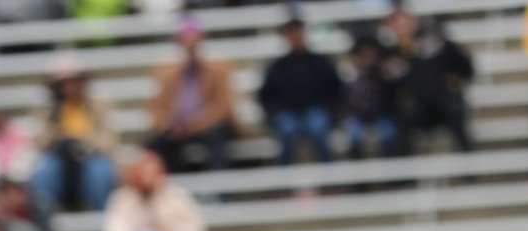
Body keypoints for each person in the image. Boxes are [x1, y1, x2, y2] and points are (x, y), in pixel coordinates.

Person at [148, 14, 242, 175]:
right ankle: (172, 190)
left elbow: (223, 107)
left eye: (193, 43)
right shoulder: (168, 74)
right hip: (180, 129)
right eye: (186, 43)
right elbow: (157, 109)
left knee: (216, 137)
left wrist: (195, 125)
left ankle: (220, 192)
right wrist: (169, 125)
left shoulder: (218, 70)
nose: (190, 48)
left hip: (208, 128)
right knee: (157, 143)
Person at [385, 8, 476, 154]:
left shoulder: (437, 43)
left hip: (444, 103)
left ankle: (470, 171)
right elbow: (390, 87)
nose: (404, 28)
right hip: (418, 109)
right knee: (399, 123)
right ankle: (404, 175)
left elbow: (463, 66)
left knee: (455, 112)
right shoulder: (390, 55)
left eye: (406, 23)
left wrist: (456, 82)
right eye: (398, 25)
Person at [31, 60, 118, 213]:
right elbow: (39, 142)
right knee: (44, 173)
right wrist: (58, 137)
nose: (71, 87)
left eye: (74, 81)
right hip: (59, 157)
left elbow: (108, 138)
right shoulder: (48, 108)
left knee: (99, 173)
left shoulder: (98, 103)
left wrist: (83, 145)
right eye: (65, 83)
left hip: (91, 156)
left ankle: (101, 221)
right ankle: (47, 219)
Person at [261, 17, 342, 167]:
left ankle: (332, 178)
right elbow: (266, 95)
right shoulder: (278, 66)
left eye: (298, 33)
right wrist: (274, 113)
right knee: (286, 131)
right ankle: (284, 183)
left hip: (317, 110)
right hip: (287, 112)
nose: (295, 38)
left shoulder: (321, 62)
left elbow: (336, 89)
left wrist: (331, 110)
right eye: (291, 34)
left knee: (318, 129)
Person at [340, 33, 405, 159]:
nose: (367, 56)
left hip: (383, 115)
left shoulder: (386, 71)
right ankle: (360, 176)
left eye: (370, 52)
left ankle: (392, 174)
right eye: (363, 53)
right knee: (352, 137)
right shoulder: (350, 74)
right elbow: (345, 100)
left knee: (389, 136)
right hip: (358, 117)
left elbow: (395, 95)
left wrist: (385, 75)